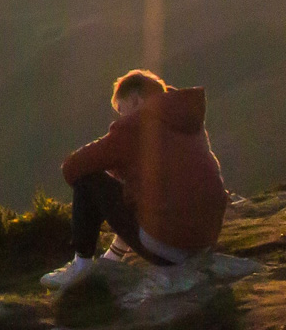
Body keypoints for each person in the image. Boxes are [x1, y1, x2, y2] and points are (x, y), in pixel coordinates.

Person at [42, 70, 229, 291]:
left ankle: (81, 266)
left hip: (169, 248)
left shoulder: (136, 125)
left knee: (88, 180)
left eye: (121, 110)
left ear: (135, 100)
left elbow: (73, 167)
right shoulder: (188, 121)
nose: (121, 117)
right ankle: (113, 257)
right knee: (139, 192)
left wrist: (115, 169)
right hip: (203, 243)